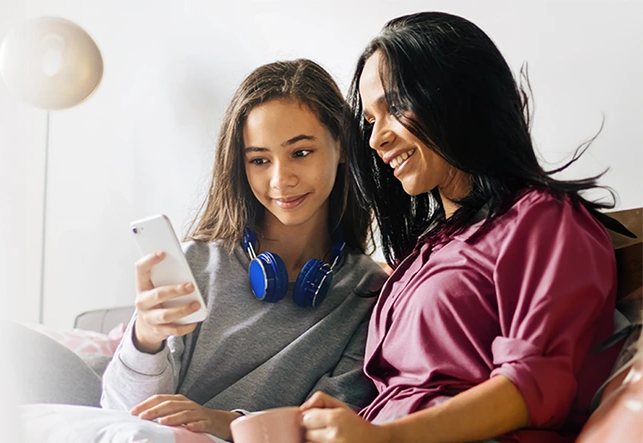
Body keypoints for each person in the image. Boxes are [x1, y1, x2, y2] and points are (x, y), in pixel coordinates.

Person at [300, 12, 623, 443]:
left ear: (457, 96)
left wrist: (387, 438)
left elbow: (532, 388)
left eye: (395, 106)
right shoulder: (426, 250)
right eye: (371, 120)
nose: (376, 139)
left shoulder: (541, 219)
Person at [100, 58, 387, 442]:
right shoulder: (198, 262)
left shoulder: (369, 293)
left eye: (301, 152)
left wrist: (223, 422)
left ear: (343, 147)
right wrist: (145, 338)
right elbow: (123, 412)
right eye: (259, 160)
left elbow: (335, 426)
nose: (280, 179)